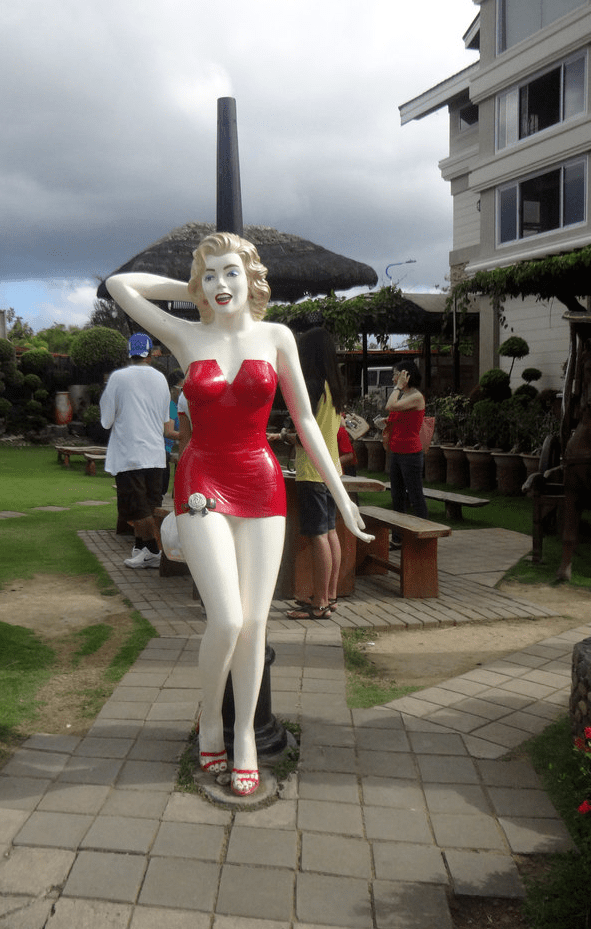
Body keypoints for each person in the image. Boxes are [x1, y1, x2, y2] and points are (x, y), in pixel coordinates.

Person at [106, 232, 373, 797]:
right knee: (226, 619)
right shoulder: (185, 334)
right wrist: (195, 283)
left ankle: (245, 736)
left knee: (255, 624)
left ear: (252, 279)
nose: (221, 285)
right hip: (202, 478)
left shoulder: (277, 336)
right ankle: (210, 718)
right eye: (211, 275)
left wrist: (342, 493)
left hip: (261, 480)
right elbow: (119, 285)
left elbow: (304, 419)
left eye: (233, 273)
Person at [284, 328, 346, 620]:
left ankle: (319, 602)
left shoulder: (311, 384)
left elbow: (305, 433)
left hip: (312, 469)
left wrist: (284, 436)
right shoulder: (334, 385)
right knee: (330, 533)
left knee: (318, 536)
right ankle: (330, 595)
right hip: (332, 469)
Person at [100, 333, 171, 569]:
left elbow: (106, 420)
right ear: (151, 355)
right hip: (155, 453)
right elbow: (164, 419)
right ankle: (142, 548)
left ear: (129, 354)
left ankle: (152, 550)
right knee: (149, 504)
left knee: (136, 507)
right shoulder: (161, 379)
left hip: (129, 453)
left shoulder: (119, 378)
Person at [383, 359, 427, 549]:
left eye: (396, 374)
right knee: (397, 496)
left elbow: (390, 406)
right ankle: (398, 538)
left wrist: (398, 387)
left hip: (410, 454)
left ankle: (424, 538)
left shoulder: (415, 396)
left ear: (406, 376)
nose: (393, 378)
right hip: (397, 452)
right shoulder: (404, 396)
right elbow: (395, 413)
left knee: (416, 496)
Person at [162, 369, 184, 495]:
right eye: (181, 388)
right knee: (161, 490)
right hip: (162, 451)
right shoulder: (170, 405)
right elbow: (168, 431)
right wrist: (188, 436)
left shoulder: (176, 405)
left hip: (167, 450)